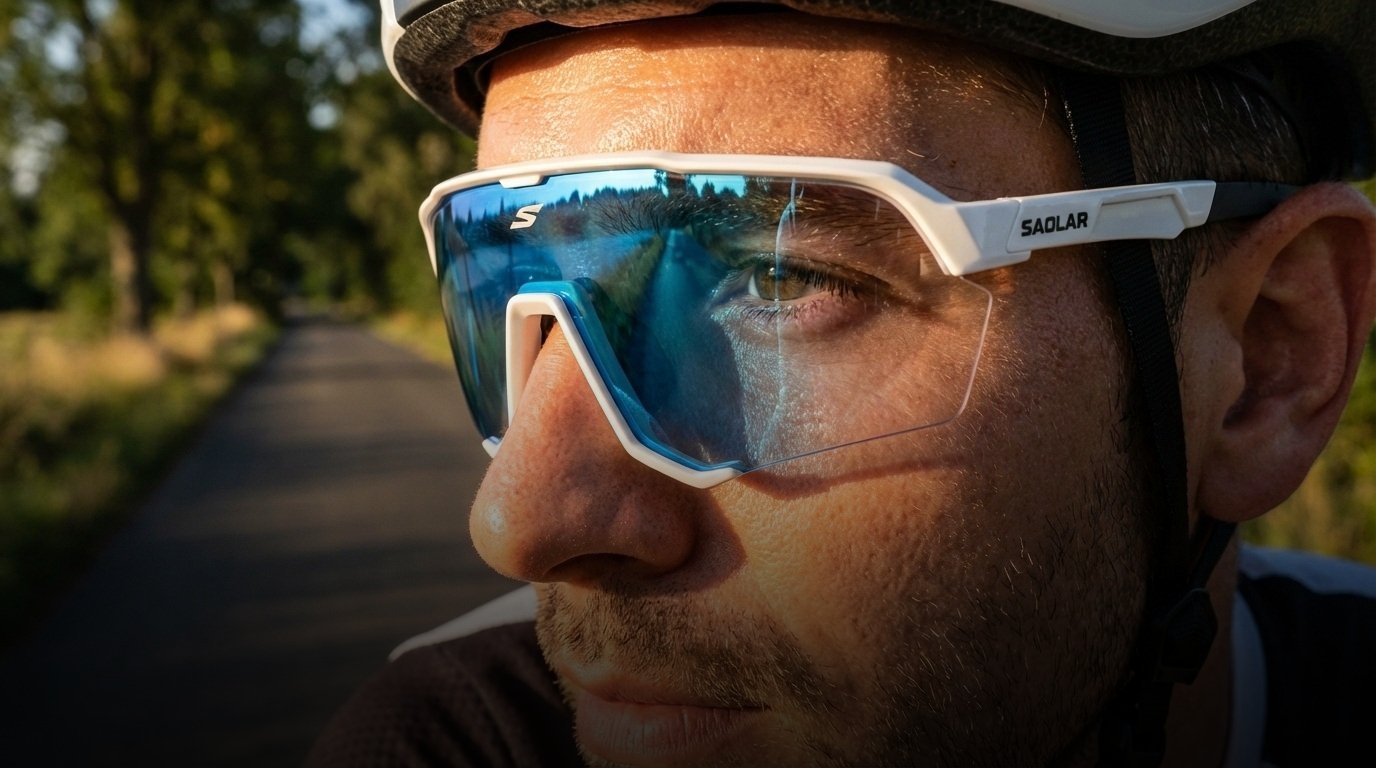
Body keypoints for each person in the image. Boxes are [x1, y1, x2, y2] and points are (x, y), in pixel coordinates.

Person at [310, 1, 1376, 765]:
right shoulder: (442, 741)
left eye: (777, 280)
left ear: (1266, 361)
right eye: (508, 286)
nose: (519, 521)